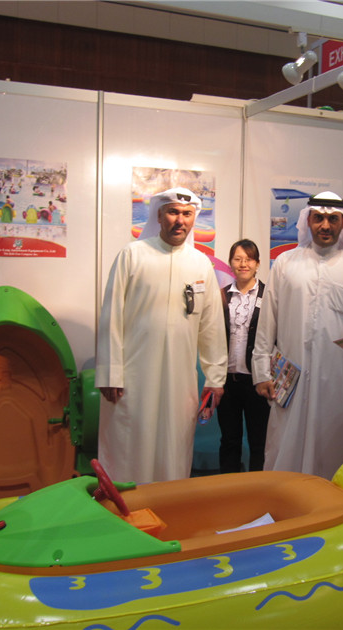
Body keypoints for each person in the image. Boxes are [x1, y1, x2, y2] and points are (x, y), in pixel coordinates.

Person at [95, 187, 227, 483]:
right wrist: (110, 373)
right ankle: (123, 505)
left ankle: (169, 504)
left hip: (179, 379)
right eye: (173, 212)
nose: (180, 220)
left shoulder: (200, 264)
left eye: (187, 214)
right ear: (159, 215)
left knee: (174, 445)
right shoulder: (132, 255)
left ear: (194, 219)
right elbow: (111, 316)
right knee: (129, 444)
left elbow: (212, 327)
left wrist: (216, 378)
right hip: (132, 377)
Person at [252, 191, 343, 480]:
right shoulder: (286, 262)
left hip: (340, 382)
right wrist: (261, 372)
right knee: (284, 449)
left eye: (333, 219)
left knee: (333, 452)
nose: (325, 225)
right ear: (307, 220)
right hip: (290, 379)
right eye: (318, 218)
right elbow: (268, 320)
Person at [216, 239, 271, 473]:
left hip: (257, 381)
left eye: (248, 259)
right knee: (229, 440)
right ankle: (229, 487)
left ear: (257, 264)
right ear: (231, 263)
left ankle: (258, 488)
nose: (243, 264)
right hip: (227, 381)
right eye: (238, 259)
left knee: (260, 442)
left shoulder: (269, 295)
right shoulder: (221, 296)